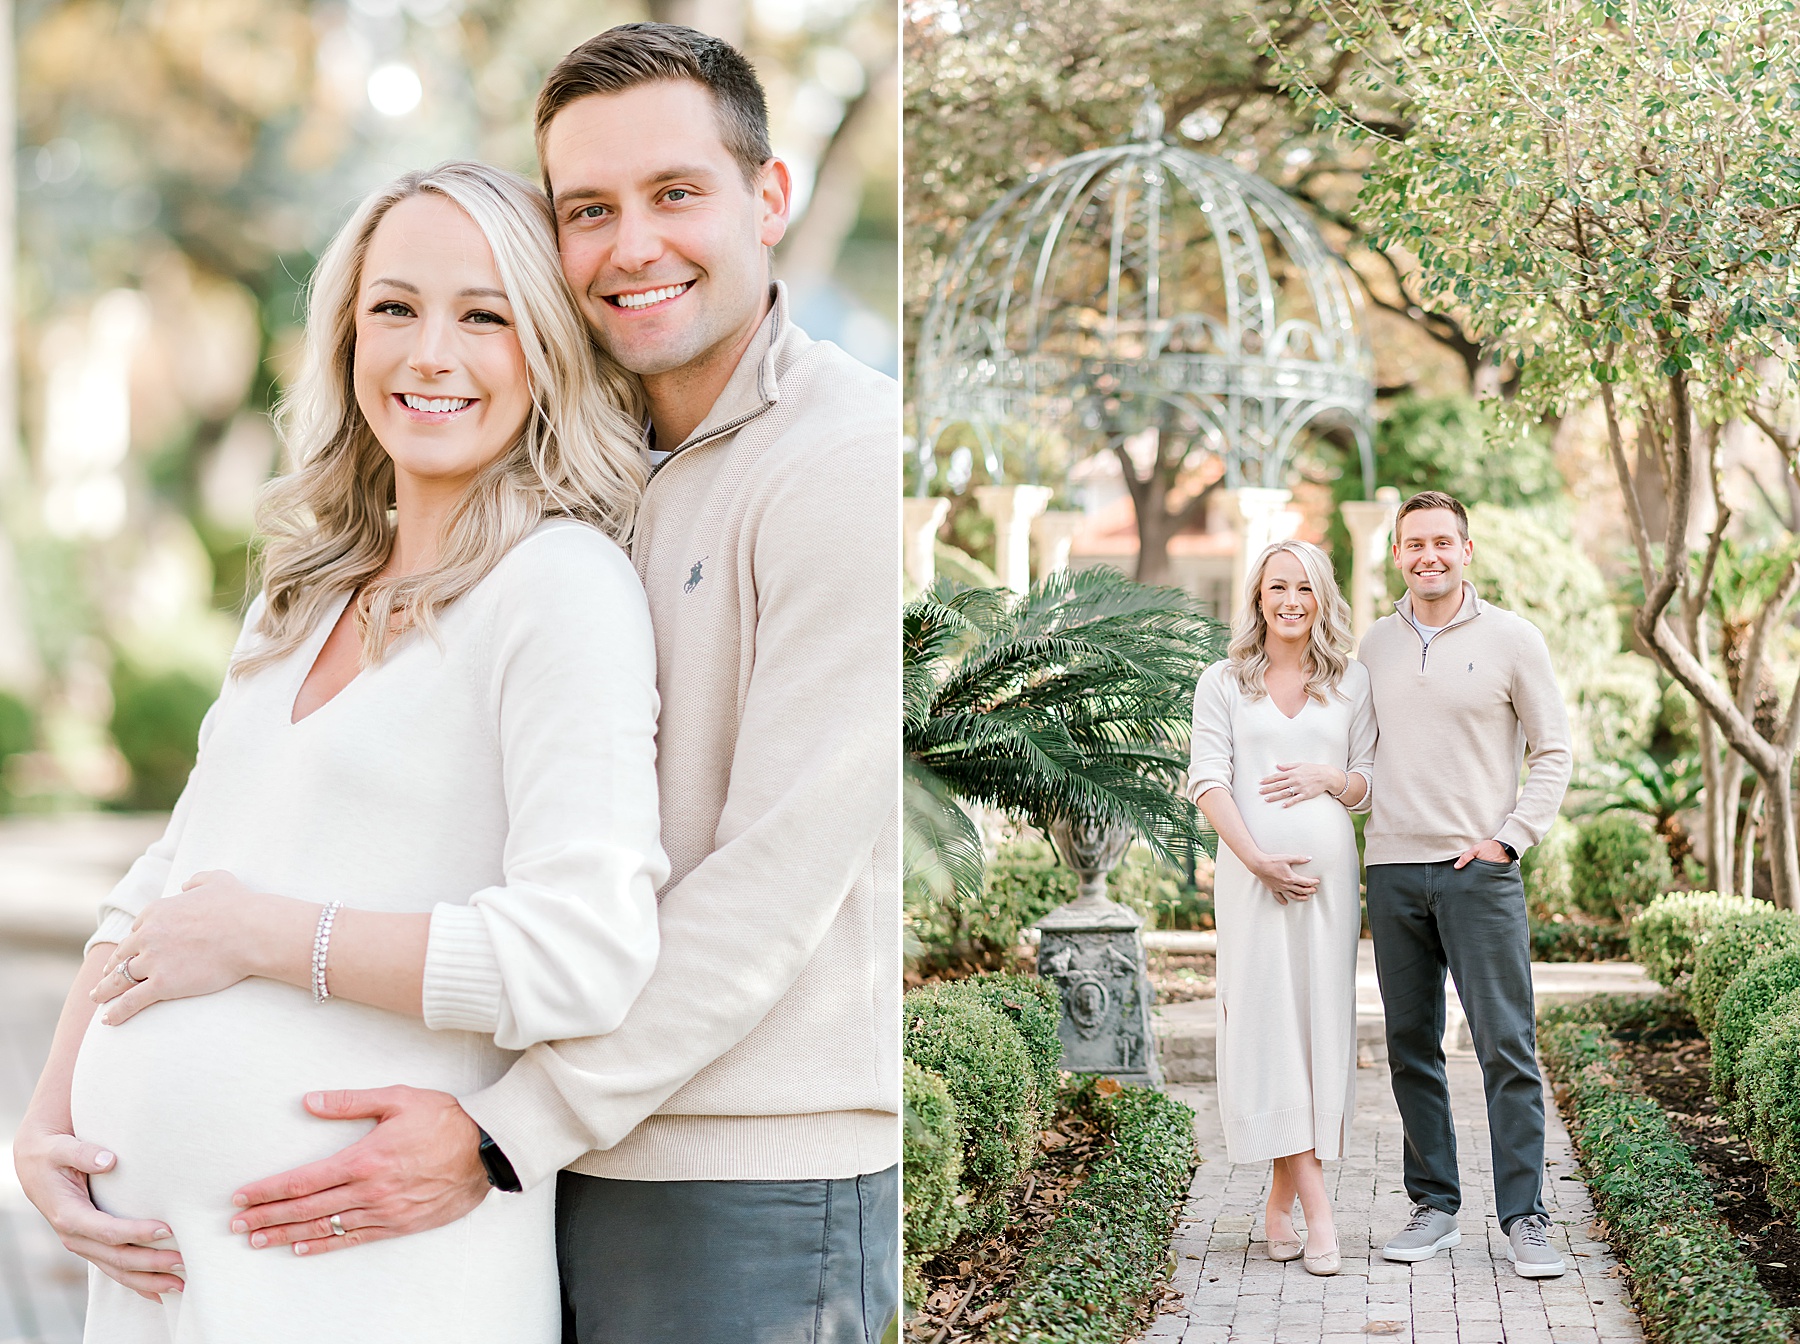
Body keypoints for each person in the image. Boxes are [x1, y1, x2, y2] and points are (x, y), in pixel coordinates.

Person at [79, 25, 899, 1343]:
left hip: (738, 1170)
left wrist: (503, 1129)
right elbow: (194, 861)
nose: (632, 245)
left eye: (675, 193)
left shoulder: (841, 459)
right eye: (590, 210)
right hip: (541, 1156)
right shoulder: (593, 469)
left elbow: (775, 878)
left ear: (771, 197)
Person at [13, 161, 667, 1341]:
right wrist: (49, 1114)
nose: (429, 354)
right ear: (344, 334)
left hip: (372, 1279)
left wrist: (270, 940)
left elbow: (584, 954)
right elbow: (168, 877)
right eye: (395, 308)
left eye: (485, 316)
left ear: (550, 352)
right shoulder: (303, 593)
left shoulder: (560, 590)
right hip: (162, 1284)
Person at [1360, 489, 1573, 1278]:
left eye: (1443, 542)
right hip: (1391, 871)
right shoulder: (1374, 645)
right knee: (1411, 1046)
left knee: (1505, 1047)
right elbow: (1356, 753)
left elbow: (1553, 751)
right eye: (1415, 544)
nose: (1429, 556)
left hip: (1479, 875)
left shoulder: (1514, 638)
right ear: (1397, 553)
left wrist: (1509, 840)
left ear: (1466, 550)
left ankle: (1526, 1217)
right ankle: (1435, 1207)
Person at [1187, 539, 1376, 1278]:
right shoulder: (1224, 682)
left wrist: (1333, 778)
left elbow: (1369, 782)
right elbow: (1206, 780)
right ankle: (1320, 1211)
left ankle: (1278, 1202)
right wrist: (1257, 859)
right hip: (1251, 886)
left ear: (1323, 597)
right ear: (1257, 597)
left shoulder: (1351, 682)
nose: (1291, 600)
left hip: (1329, 895)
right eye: (1277, 588)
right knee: (1268, 1028)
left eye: (1304, 588)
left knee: (1314, 1031)